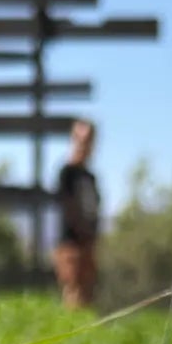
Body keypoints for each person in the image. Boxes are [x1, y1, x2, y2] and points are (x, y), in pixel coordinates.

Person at [52, 119, 102, 309]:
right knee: (73, 293)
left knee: (88, 294)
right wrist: (81, 232)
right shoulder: (67, 173)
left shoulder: (91, 177)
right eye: (80, 139)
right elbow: (68, 206)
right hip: (70, 244)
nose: (84, 143)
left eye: (88, 139)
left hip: (88, 244)